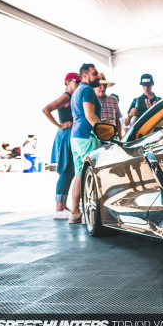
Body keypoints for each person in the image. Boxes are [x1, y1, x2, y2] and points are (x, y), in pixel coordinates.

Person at [42, 72, 80, 219]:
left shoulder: (73, 97)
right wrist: (59, 125)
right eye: (75, 82)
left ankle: (62, 205)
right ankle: (59, 208)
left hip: (69, 135)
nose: (77, 85)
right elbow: (46, 109)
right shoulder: (66, 97)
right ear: (68, 82)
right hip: (65, 135)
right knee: (66, 169)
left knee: (70, 170)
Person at [69, 63, 102, 224]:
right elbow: (90, 116)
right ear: (84, 76)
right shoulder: (87, 90)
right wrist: (103, 131)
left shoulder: (77, 91)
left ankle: (75, 213)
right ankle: (89, 216)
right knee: (91, 175)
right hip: (86, 136)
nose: (98, 76)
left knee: (79, 174)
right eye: (95, 74)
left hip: (75, 136)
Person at [95, 73, 123, 138]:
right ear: (94, 86)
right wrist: (100, 123)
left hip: (113, 137)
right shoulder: (90, 101)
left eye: (104, 85)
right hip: (97, 138)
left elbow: (117, 119)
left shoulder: (113, 100)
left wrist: (120, 136)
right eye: (100, 85)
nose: (103, 87)